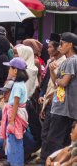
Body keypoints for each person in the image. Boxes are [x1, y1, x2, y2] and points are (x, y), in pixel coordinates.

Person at [41, 32, 77, 161]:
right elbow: (58, 84)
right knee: (59, 141)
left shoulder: (72, 61)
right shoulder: (66, 61)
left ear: (70, 45)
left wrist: (57, 80)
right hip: (61, 107)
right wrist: (52, 71)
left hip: (64, 109)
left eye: (62, 43)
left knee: (54, 141)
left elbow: (63, 82)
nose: (59, 46)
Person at [39, 34, 66, 163]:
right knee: (45, 133)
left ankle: (48, 160)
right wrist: (42, 95)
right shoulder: (51, 61)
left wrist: (50, 97)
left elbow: (60, 84)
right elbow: (46, 82)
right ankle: (44, 159)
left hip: (57, 101)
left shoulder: (65, 63)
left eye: (50, 47)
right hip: (48, 100)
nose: (47, 49)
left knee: (52, 135)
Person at [0, 57, 29, 166]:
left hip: (15, 116)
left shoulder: (17, 85)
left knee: (14, 142)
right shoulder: (21, 84)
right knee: (15, 141)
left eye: (10, 68)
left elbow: (16, 103)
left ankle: (15, 163)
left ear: (15, 70)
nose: (9, 71)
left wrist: (11, 120)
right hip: (17, 114)